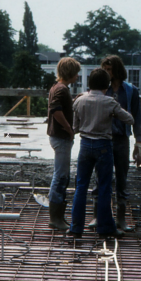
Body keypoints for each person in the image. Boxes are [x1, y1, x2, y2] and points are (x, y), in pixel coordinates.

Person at [69, 67, 134, 239]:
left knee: (81, 186)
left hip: (85, 145)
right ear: (106, 86)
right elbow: (130, 119)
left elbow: (75, 128)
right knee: (105, 187)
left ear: (89, 84)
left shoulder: (79, 101)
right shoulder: (110, 102)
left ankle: (76, 228)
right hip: (104, 146)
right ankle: (105, 228)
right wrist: (112, 112)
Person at [95, 54, 141, 232]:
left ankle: (121, 219)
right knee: (101, 177)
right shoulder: (101, 90)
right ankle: (98, 216)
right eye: (105, 70)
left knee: (122, 179)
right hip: (104, 138)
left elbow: (137, 117)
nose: (107, 73)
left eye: (110, 70)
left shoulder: (131, 90)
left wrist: (139, 144)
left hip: (122, 139)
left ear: (117, 70)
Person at [46, 57, 81, 231]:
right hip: (61, 137)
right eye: (76, 72)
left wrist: (74, 100)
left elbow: (60, 105)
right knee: (60, 177)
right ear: (70, 72)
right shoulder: (61, 89)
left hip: (57, 137)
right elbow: (55, 108)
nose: (78, 75)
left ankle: (58, 217)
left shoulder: (58, 87)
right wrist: (69, 129)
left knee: (61, 176)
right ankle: (55, 219)